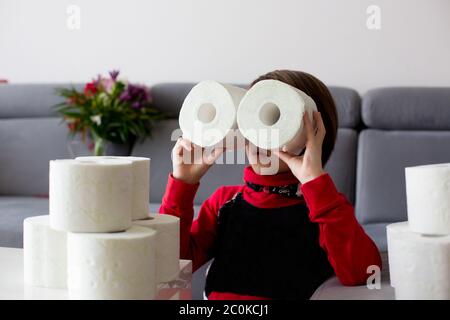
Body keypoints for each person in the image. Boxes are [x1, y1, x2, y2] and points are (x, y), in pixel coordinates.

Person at [159, 70, 382, 300]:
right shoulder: (225, 202)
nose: (257, 135)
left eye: (271, 122)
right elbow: (168, 265)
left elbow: (364, 273)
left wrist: (315, 183)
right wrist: (182, 185)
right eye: (250, 118)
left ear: (313, 136)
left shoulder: (324, 208)